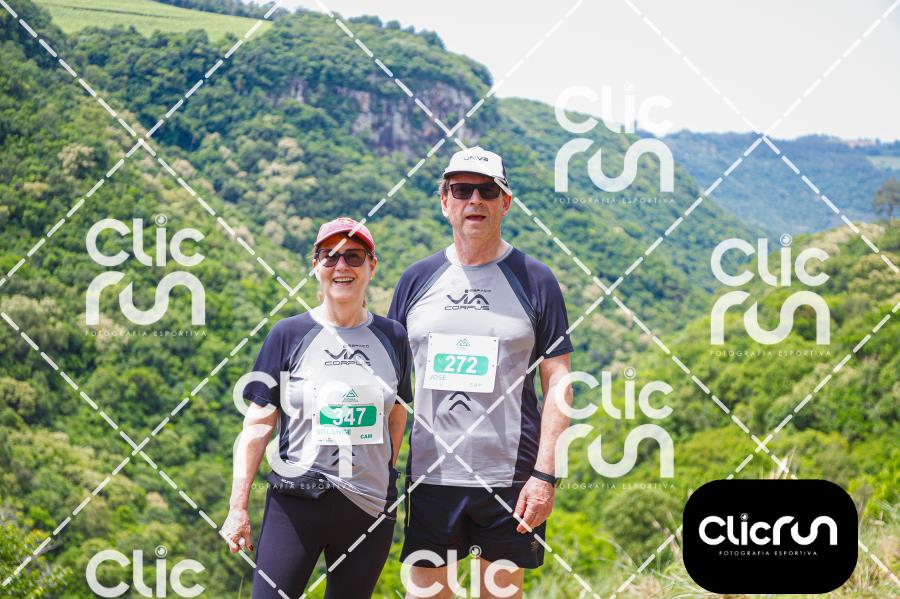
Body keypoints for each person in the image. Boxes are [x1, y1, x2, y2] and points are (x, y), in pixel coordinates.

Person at [389, 147, 575, 598]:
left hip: (511, 477)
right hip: (431, 474)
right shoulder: (416, 280)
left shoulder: (536, 280)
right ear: (444, 201)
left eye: (487, 191)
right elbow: (391, 389)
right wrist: (380, 471)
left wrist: (545, 476)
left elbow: (559, 383)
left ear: (505, 202)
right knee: (426, 594)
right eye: (461, 190)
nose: (474, 200)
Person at [222, 217, 412, 598]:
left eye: (354, 257)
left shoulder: (393, 337)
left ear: (372, 266)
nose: (341, 266)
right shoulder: (288, 334)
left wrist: (384, 473)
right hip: (295, 505)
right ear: (315, 266)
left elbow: (397, 414)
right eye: (330, 256)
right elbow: (257, 426)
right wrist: (237, 507)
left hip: (368, 507)